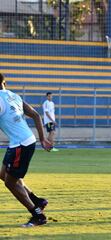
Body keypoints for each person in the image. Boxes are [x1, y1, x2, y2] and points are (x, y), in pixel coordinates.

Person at [0, 73, 52, 227]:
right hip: (23, 141)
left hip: (20, 144)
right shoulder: (14, 96)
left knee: (10, 183)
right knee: (3, 174)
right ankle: (37, 200)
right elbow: (36, 115)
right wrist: (42, 139)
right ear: (4, 82)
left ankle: (37, 215)